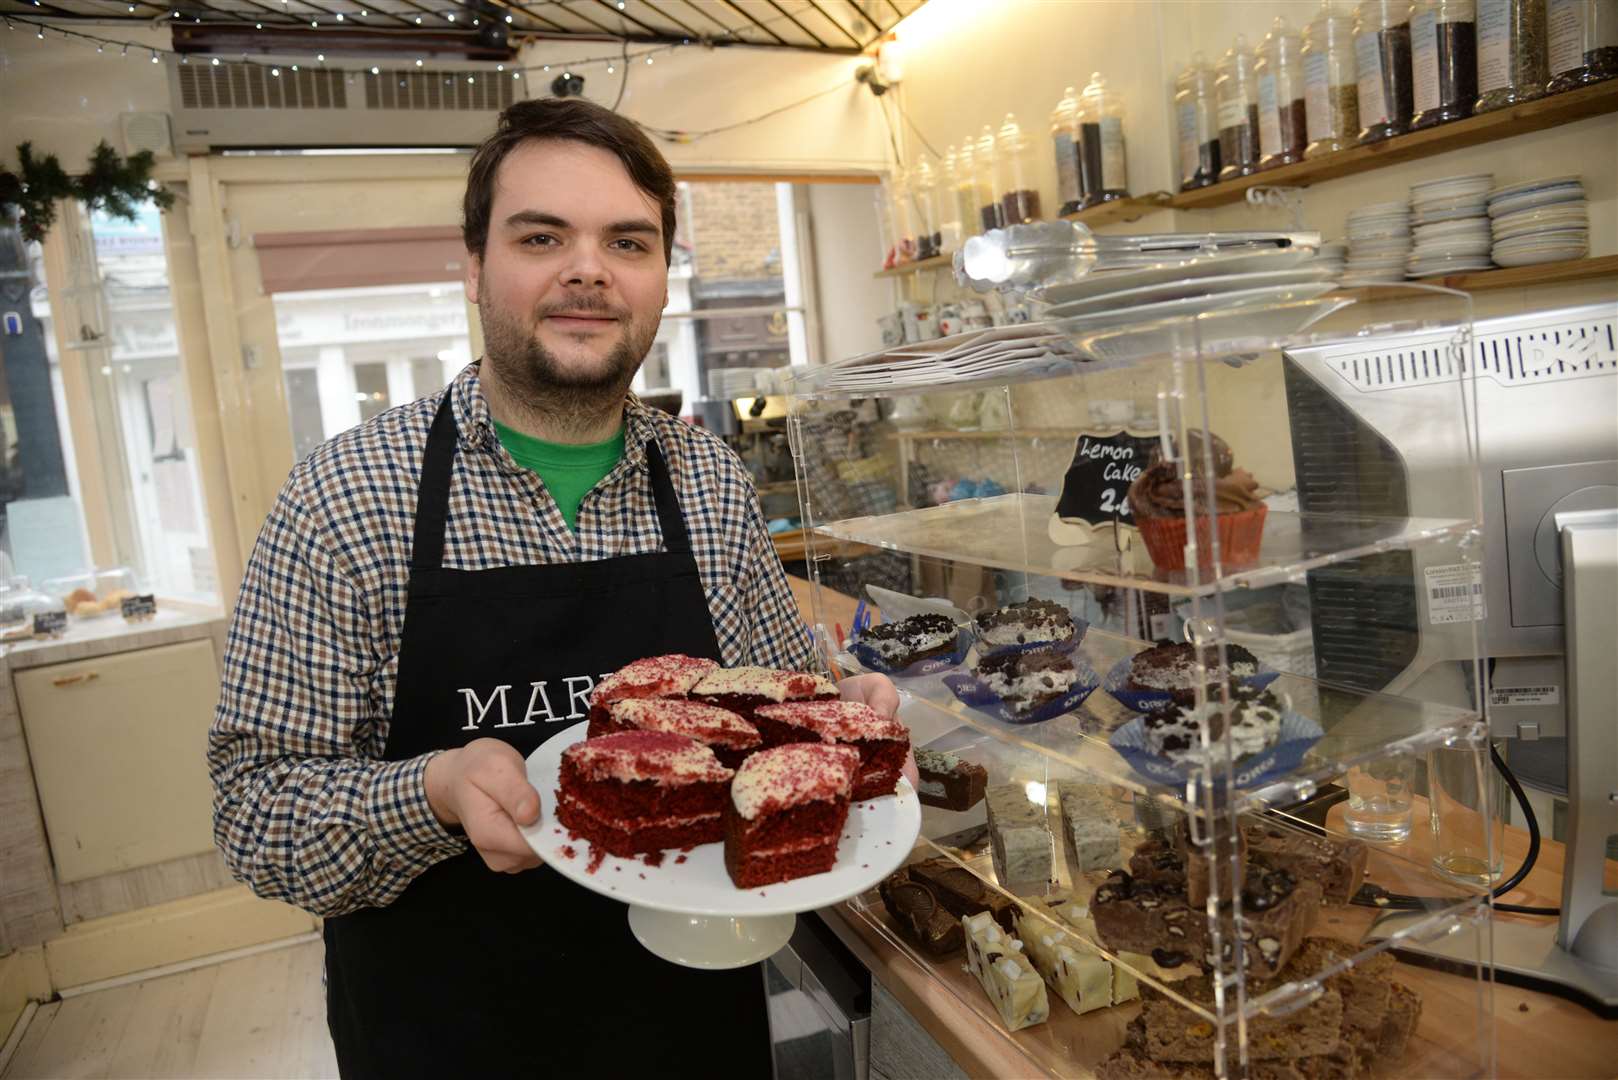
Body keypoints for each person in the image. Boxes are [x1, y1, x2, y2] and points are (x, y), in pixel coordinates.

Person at [208, 97, 900, 1078]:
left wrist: (844, 721)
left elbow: (781, 710)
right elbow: (257, 816)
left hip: (693, 1023)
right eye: (542, 236)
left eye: (628, 240)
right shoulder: (348, 495)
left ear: (661, 275)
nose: (588, 269)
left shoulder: (706, 480)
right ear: (475, 267)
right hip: (447, 1035)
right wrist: (435, 792)